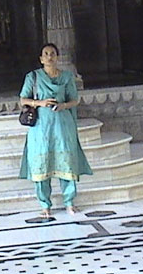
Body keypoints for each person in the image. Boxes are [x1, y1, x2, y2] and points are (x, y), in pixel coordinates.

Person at [19, 43, 92, 218]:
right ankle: (45, 205)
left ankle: (69, 202)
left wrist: (63, 106)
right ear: (41, 59)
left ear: (57, 57)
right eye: (46, 54)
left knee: (66, 162)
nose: (49, 57)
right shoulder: (33, 77)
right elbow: (23, 100)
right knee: (41, 164)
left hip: (62, 125)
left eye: (52, 53)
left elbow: (74, 100)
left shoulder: (66, 77)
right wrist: (40, 103)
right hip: (41, 127)